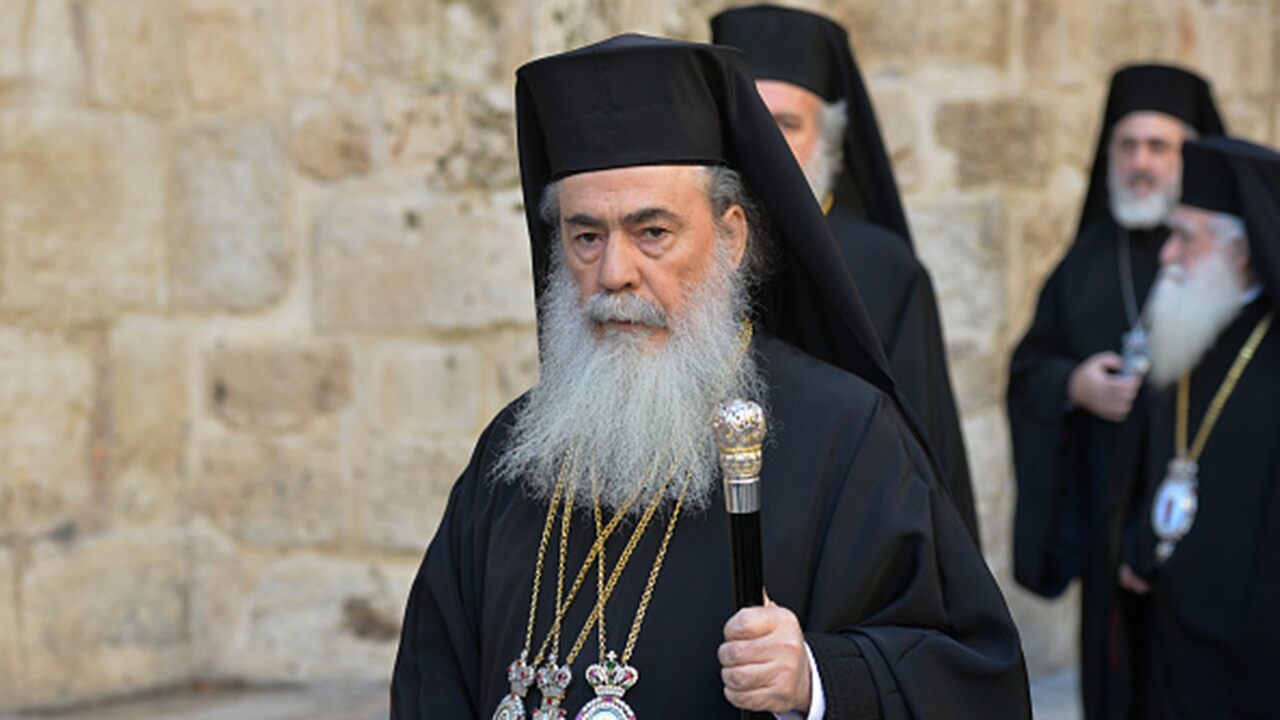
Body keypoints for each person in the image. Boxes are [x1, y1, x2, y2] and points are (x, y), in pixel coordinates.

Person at [390, 34, 1030, 719]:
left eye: (653, 233)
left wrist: (814, 678)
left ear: (730, 238)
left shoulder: (848, 436)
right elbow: (434, 672)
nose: (614, 273)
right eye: (586, 237)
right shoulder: (512, 451)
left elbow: (969, 675)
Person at [711, 5, 978, 542]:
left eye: (787, 124)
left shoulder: (886, 269)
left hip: (843, 541)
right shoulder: (692, 257)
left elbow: (921, 453)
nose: (768, 145)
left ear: (828, 140)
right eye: (753, 122)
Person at [1006, 64, 1224, 719]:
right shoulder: (1087, 259)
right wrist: (1073, 384)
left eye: (1160, 147)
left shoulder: (1222, 252)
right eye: (1127, 146)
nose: (1142, 163)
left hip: (1205, 540)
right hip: (1108, 530)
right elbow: (1028, 367)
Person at [1117, 137, 1280, 719]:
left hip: (1254, 663)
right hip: (1170, 632)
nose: (1167, 255)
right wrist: (1141, 541)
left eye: (1186, 236)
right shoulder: (1190, 329)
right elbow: (1159, 461)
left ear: (1241, 250)